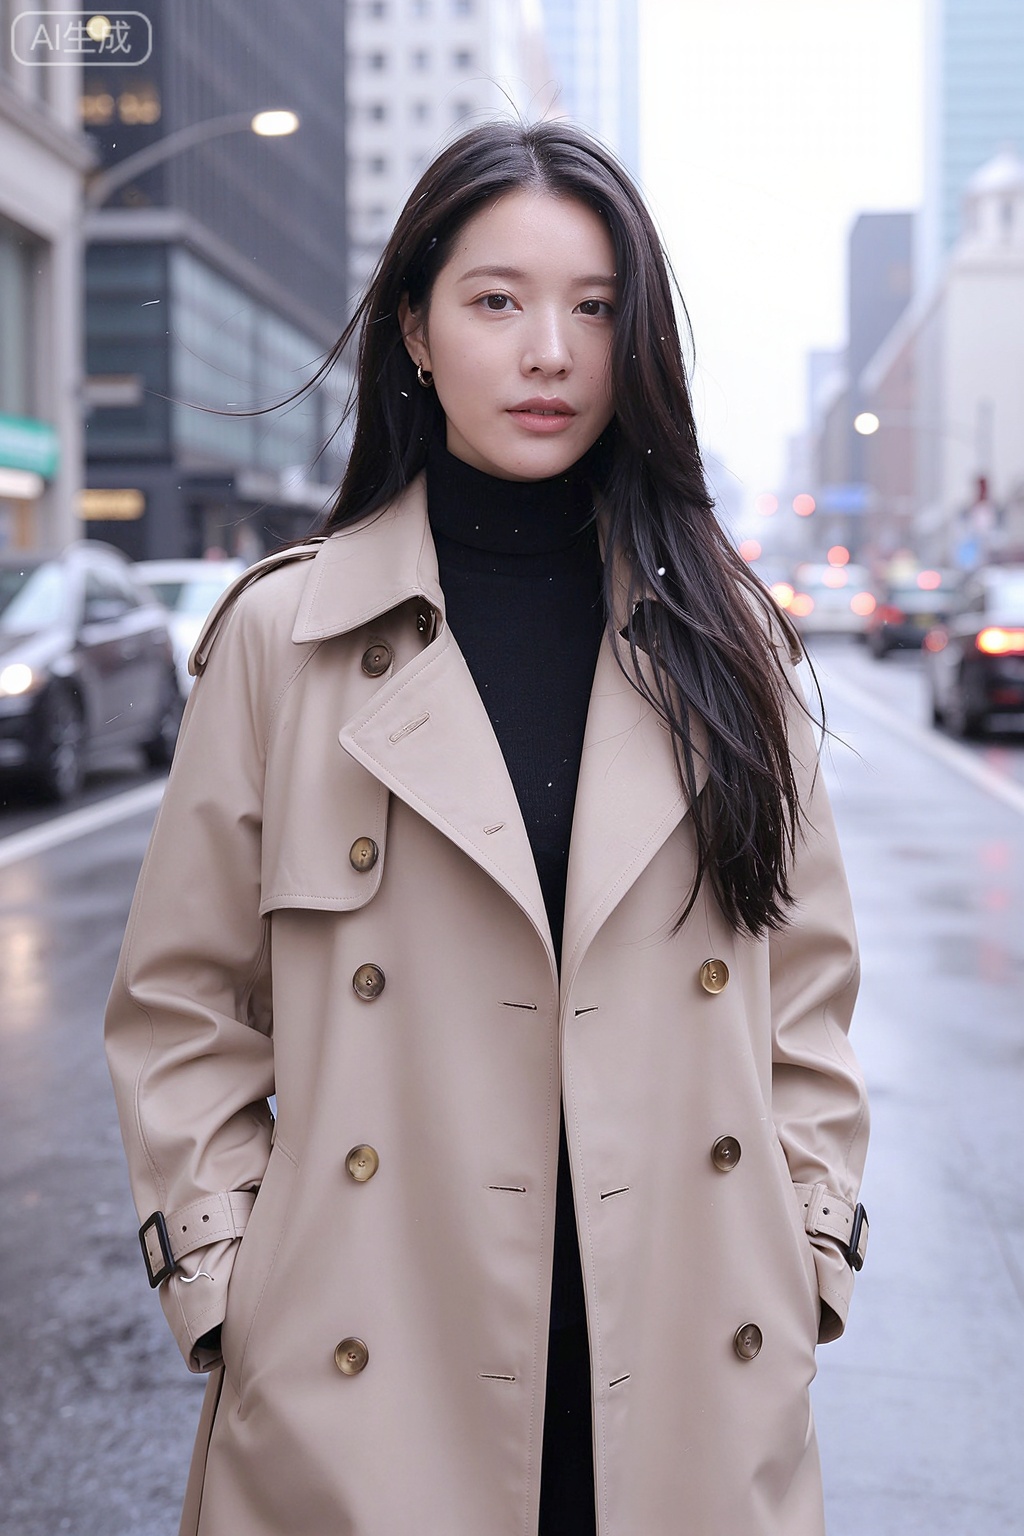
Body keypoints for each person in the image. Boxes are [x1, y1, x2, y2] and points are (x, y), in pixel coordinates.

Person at [105, 119, 869, 1536]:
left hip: (689, 1367)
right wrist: (231, 1291)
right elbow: (182, 1007)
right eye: (497, 301)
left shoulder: (728, 644)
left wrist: (806, 1247)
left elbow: (807, 1002)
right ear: (414, 326)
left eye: (594, 308)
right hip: (364, 1371)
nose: (550, 354)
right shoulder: (292, 637)